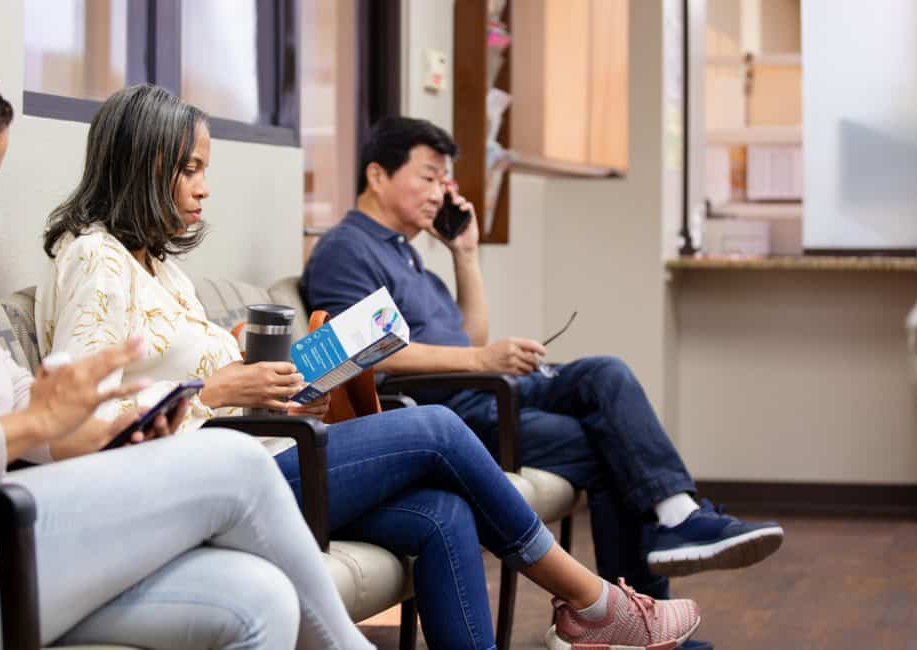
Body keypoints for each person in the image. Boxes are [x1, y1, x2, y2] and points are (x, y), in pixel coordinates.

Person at [0, 29, 374, 650]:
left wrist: (105, 425)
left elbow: (19, 393)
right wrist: (33, 427)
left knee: (256, 596)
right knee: (234, 462)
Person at [38, 83, 702, 650]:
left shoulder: (161, 268)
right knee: (438, 428)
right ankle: (591, 604)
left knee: (444, 514)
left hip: (258, 451)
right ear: (136, 165)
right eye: (188, 170)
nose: (204, 190)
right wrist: (217, 384)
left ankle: (593, 610)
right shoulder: (95, 262)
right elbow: (75, 429)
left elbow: (198, 387)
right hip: (206, 483)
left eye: (204, 169)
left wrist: (278, 389)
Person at [302, 116, 787, 649]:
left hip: (478, 390)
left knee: (605, 372)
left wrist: (466, 255)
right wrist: (483, 360)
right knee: (610, 446)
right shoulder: (347, 249)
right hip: (448, 412)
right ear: (376, 175)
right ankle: (640, 617)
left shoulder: (408, 252)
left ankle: (676, 518)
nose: (441, 191)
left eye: (445, 180)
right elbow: (363, 358)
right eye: (429, 177)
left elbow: (467, 337)